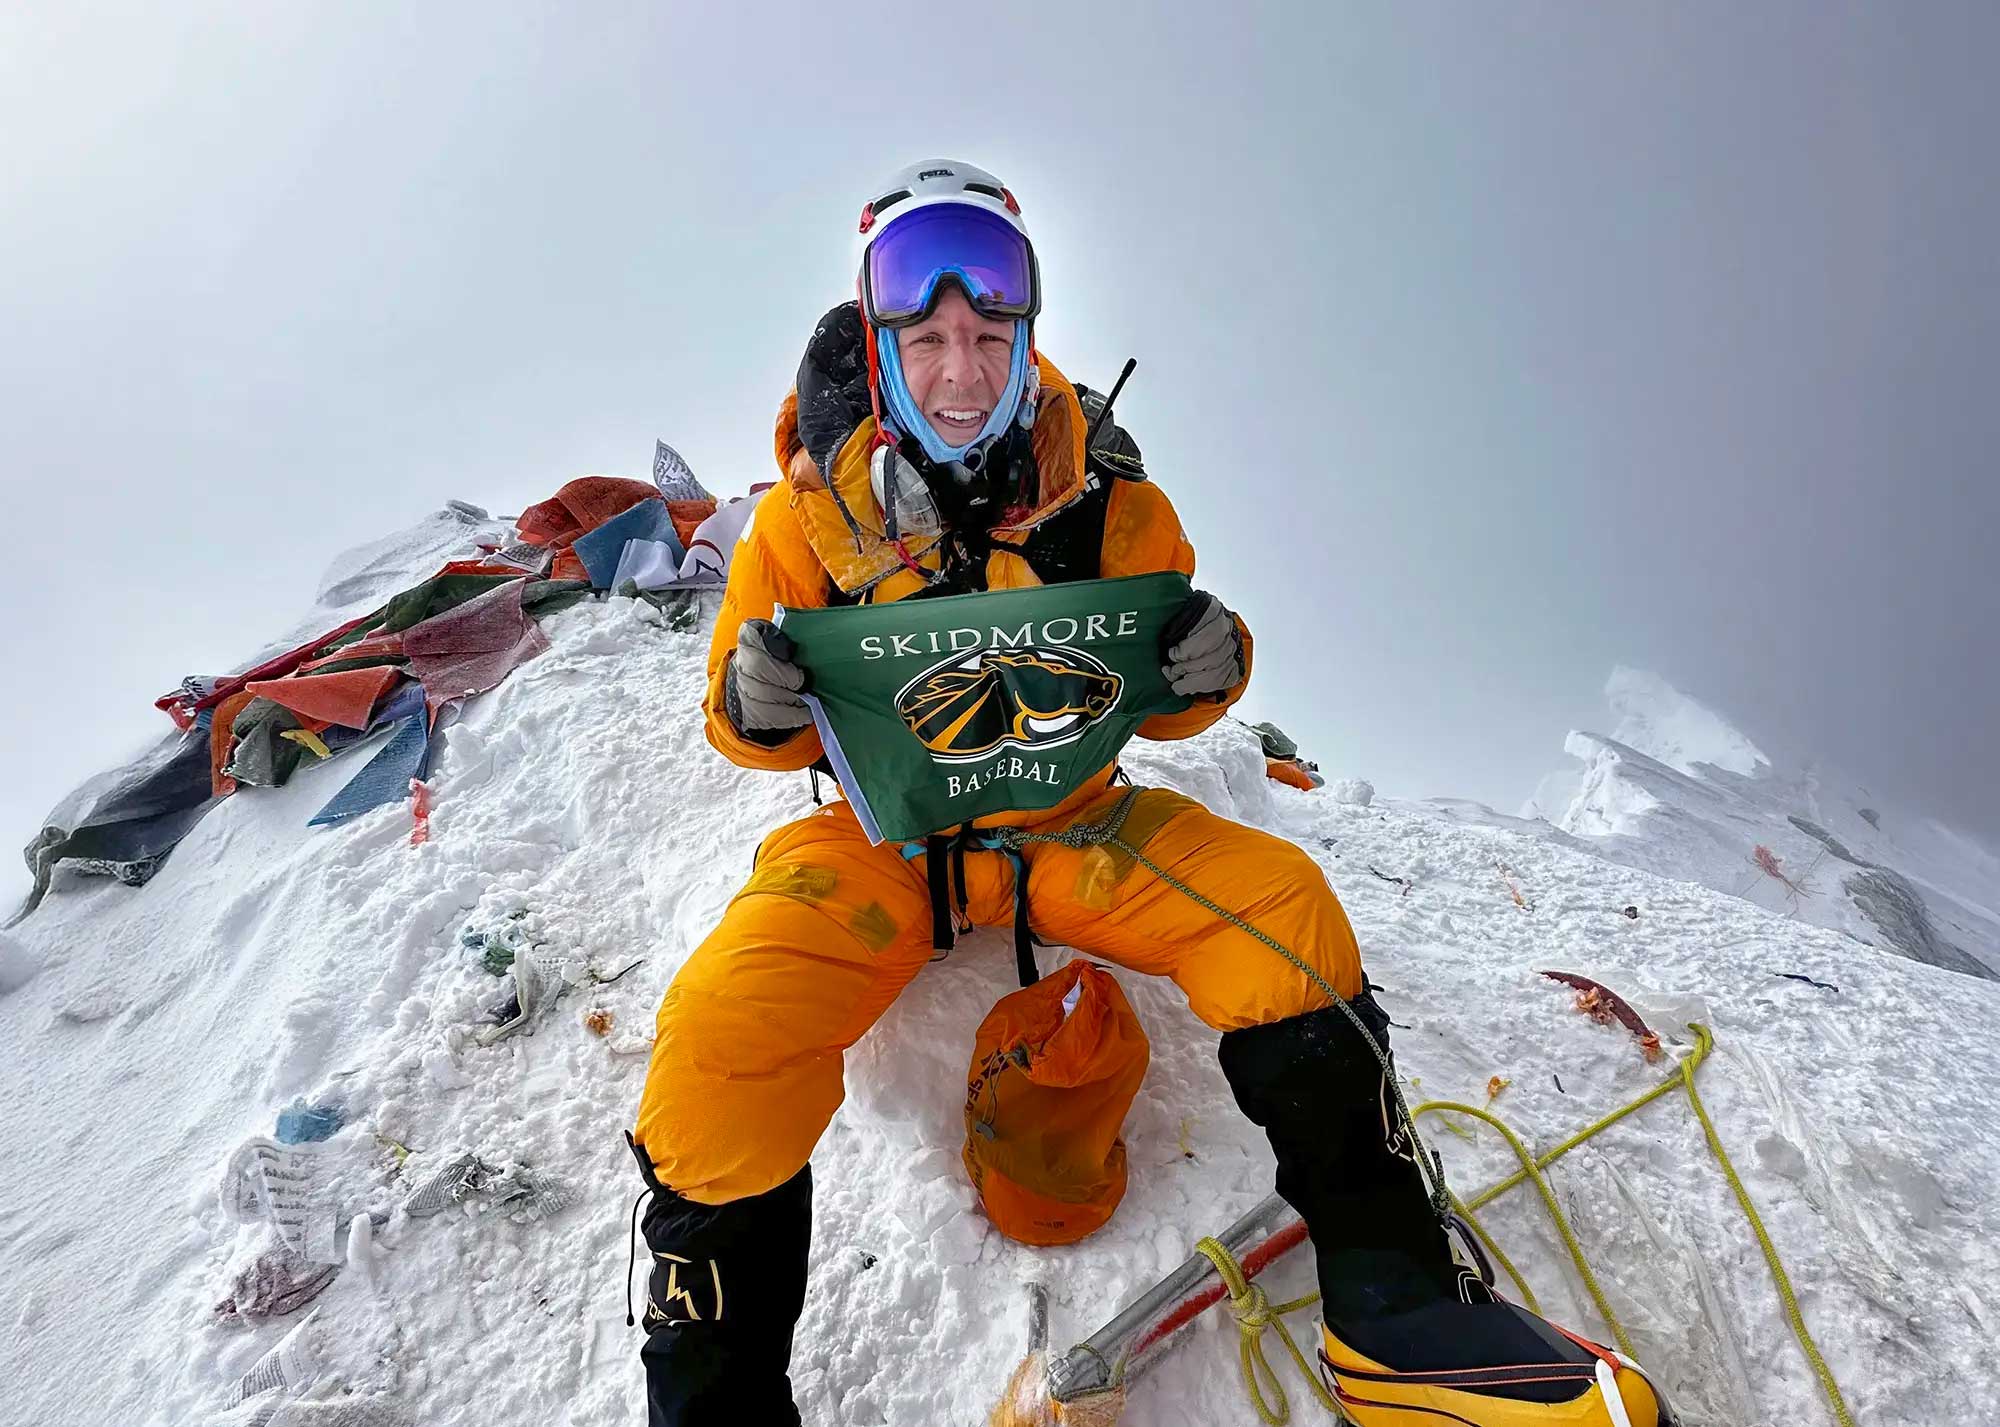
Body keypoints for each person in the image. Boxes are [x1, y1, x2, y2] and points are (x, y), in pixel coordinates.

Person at [627, 161, 1675, 1427]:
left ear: (1022, 336)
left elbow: (1161, 674)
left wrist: (1208, 665)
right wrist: (758, 703)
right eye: (928, 340)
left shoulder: (1106, 496)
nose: (960, 370)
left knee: (1280, 905)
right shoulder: (802, 523)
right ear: (882, 346)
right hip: (874, 843)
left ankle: (1403, 1321)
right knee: (717, 1032)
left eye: (986, 335)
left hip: (1068, 821)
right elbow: (742, 723)